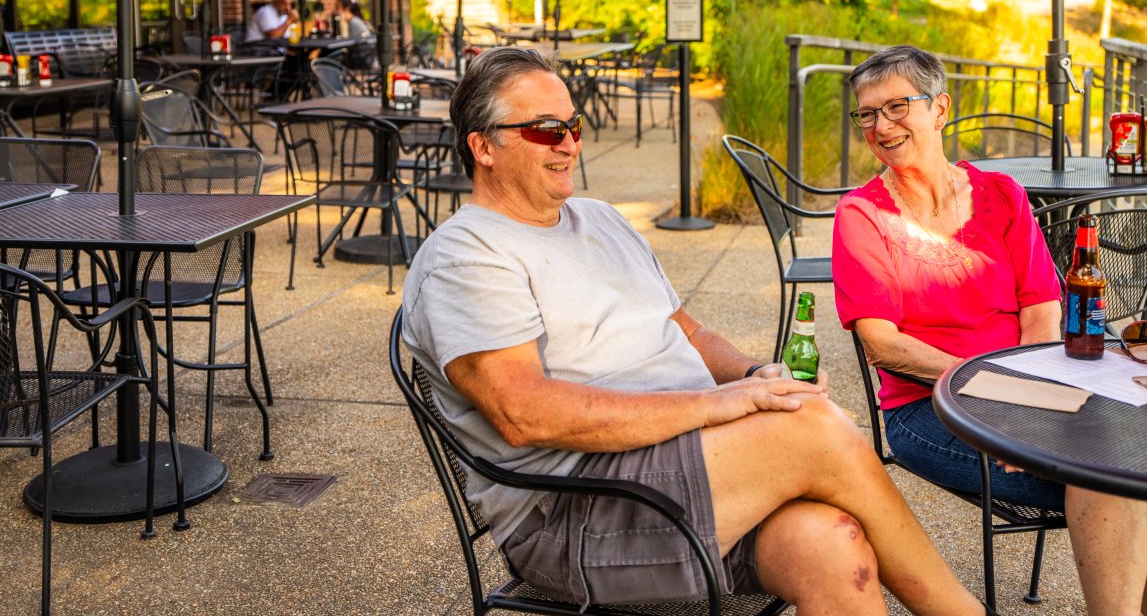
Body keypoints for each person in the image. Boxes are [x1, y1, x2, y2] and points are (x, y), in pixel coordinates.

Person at [399, 46, 986, 616]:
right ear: (483, 147)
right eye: (546, 131)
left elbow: (687, 332)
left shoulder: (600, 219)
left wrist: (755, 375)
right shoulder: (464, 258)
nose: (570, 144)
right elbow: (525, 415)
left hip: (680, 475)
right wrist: (718, 405)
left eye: (573, 126)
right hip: (575, 512)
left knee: (833, 544)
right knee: (813, 430)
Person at [831, 44, 1147, 616]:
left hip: (1029, 394)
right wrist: (994, 404)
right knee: (1121, 477)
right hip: (930, 408)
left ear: (939, 109)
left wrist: (1024, 410)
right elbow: (882, 343)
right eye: (867, 114)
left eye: (896, 107)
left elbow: (1040, 309)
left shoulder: (1002, 196)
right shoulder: (862, 216)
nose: (881, 126)